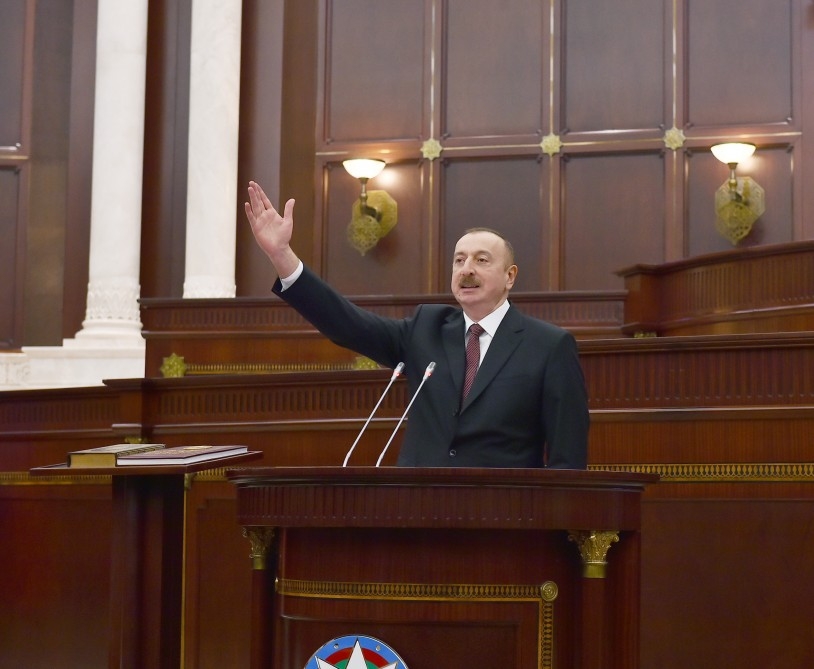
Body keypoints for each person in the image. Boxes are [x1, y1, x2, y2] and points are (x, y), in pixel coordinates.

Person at [244, 181, 589, 468]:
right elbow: (348, 325)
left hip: (504, 516)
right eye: (459, 260)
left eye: (481, 260)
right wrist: (281, 256)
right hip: (417, 507)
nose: (467, 269)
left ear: (510, 276)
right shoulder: (426, 328)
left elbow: (568, 457)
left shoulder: (548, 346)